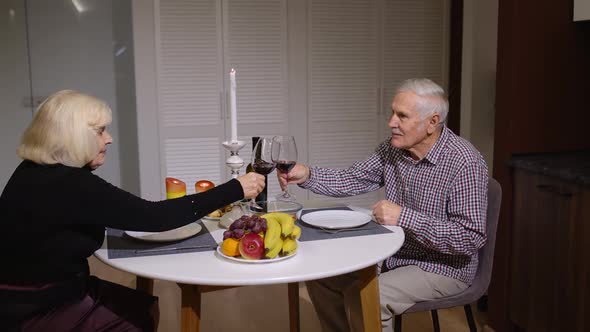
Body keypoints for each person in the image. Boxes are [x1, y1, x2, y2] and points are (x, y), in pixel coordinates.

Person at [0, 90, 265, 331]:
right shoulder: (72, 184)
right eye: (101, 131)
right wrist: (234, 189)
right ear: (75, 136)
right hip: (38, 307)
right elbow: (155, 217)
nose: (109, 138)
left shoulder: (32, 170)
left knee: (144, 306)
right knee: (138, 317)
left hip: (26, 295)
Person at [277, 78, 488, 331]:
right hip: (395, 253)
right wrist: (307, 174)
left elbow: (469, 238)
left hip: (443, 266)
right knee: (321, 276)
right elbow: (352, 179)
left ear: (432, 122)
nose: (391, 123)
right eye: (392, 113)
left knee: (369, 299)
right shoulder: (393, 150)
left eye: (402, 116)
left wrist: (404, 217)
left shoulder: (465, 162)